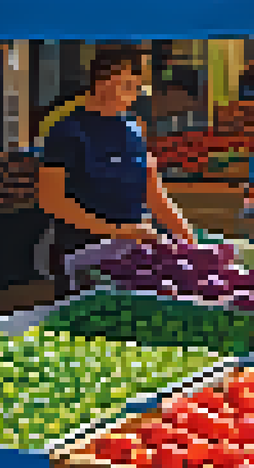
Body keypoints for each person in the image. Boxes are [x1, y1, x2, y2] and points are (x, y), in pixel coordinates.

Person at [40, 45, 195, 296]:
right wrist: (119, 230)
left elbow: (154, 194)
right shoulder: (66, 131)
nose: (136, 91)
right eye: (128, 83)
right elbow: (52, 201)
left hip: (134, 256)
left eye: (138, 84)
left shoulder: (134, 127)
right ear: (101, 81)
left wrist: (190, 242)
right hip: (84, 258)